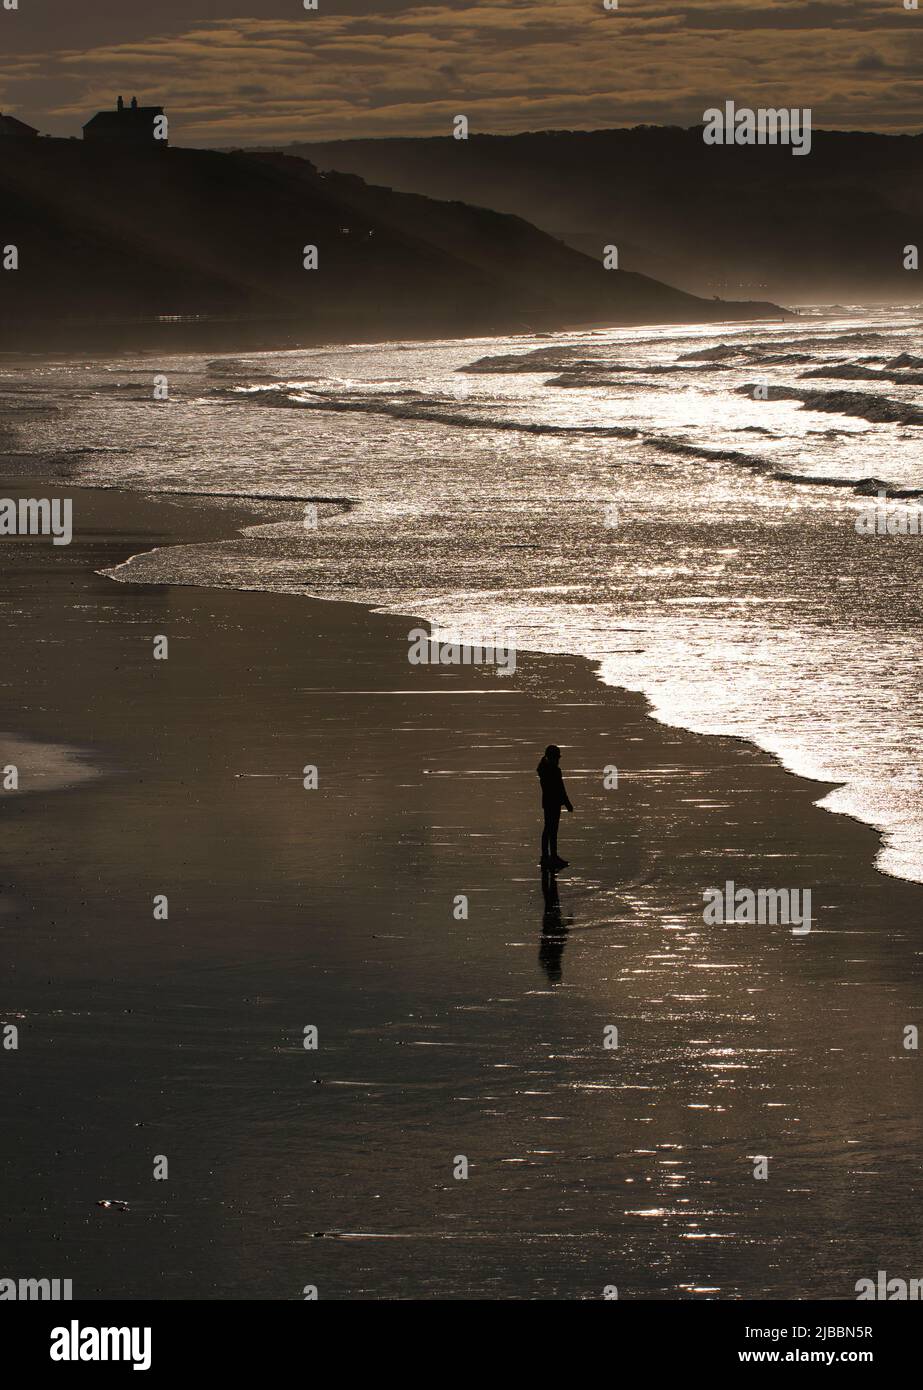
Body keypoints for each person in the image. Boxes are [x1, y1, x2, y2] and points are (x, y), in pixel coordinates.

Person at [537, 744, 573, 870]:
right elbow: (560, 789)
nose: (558, 760)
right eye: (556, 758)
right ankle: (549, 857)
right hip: (552, 803)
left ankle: (548, 856)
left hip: (549, 803)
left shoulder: (543, 769)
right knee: (550, 830)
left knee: (550, 829)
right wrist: (567, 803)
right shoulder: (552, 771)